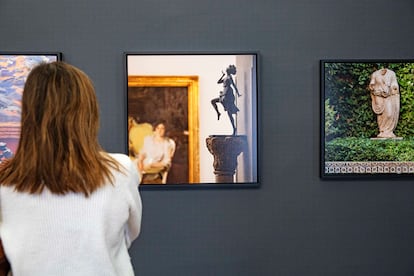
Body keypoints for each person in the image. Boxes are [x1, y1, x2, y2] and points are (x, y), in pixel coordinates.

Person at [0, 61, 142, 275]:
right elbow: (129, 233)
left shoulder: (7, 181)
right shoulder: (121, 170)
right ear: (88, 112)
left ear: (29, 113)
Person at [369, 68, 400, 138]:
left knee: (389, 113)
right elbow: (372, 84)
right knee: (381, 113)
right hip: (379, 95)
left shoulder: (392, 73)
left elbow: (394, 83)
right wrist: (372, 87)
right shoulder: (375, 74)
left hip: (389, 95)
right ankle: (382, 131)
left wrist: (394, 87)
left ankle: (388, 131)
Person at [211, 65, 242, 135]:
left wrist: (238, 93)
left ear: (229, 71)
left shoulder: (229, 77)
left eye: (227, 69)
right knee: (213, 101)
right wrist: (222, 75)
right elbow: (218, 82)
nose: (226, 70)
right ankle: (218, 113)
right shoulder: (225, 78)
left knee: (229, 114)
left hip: (227, 95)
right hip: (224, 95)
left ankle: (234, 128)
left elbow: (233, 85)